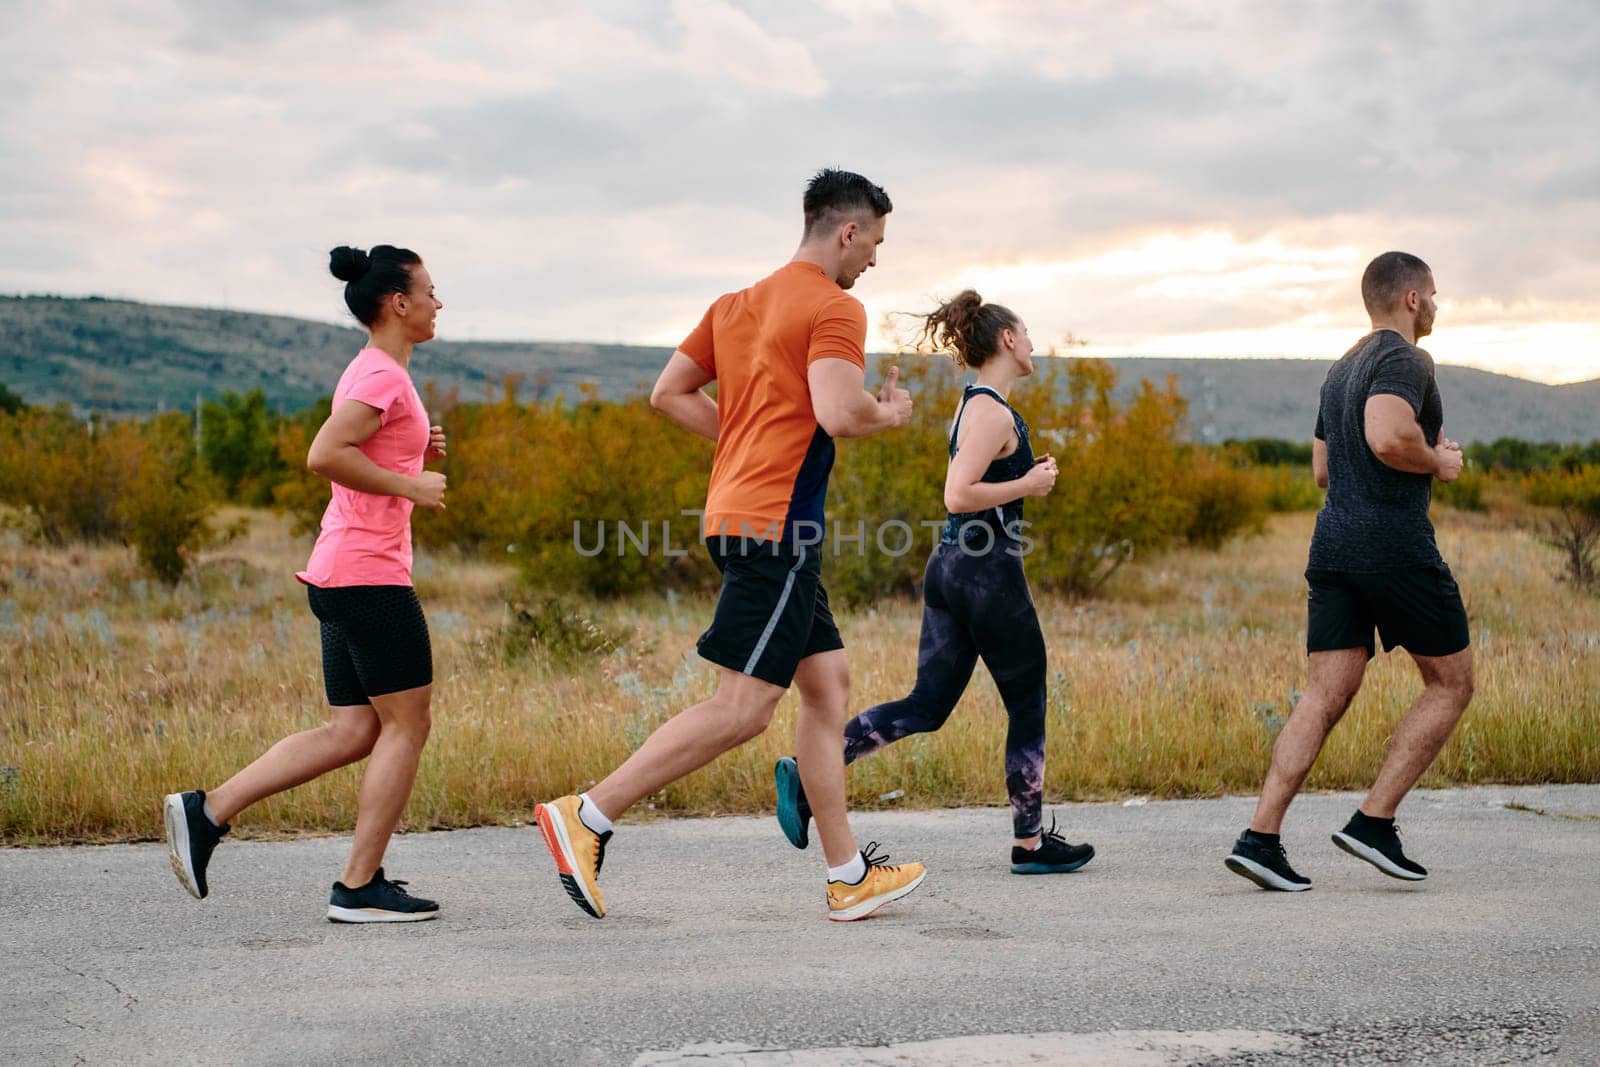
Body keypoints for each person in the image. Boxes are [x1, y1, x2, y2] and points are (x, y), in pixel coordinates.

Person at [533, 169, 927, 922]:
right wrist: (892, 412)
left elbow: (668, 393)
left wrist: (745, 439)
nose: (875, 258)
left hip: (744, 514)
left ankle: (848, 873)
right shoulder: (837, 307)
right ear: (847, 231)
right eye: (875, 241)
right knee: (744, 707)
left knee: (828, 684)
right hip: (774, 525)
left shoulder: (735, 304)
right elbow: (841, 412)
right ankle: (588, 813)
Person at [164, 244, 449, 923]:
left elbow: (361, 445)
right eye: (431, 292)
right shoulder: (381, 375)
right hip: (369, 578)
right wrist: (411, 482)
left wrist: (414, 447)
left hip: (338, 572)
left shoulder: (375, 372)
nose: (440, 303)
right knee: (407, 725)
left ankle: (206, 811)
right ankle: (358, 887)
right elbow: (325, 453)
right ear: (398, 303)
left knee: (354, 728)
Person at [772, 290, 1095, 876]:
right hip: (987, 572)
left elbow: (970, 484)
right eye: (1025, 335)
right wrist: (1028, 486)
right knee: (1028, 702)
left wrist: (1025, 475)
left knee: (927, 705)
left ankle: (812, 770)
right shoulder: (993, 410)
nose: (1032, 345)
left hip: (951, 567)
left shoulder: (974, 404)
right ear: (1005, 341)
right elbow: (958, 494)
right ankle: (1030, 845)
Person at [1225, 251, 1473, 892]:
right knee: (1451, 684)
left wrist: (1408, 455)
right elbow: (1388, 437)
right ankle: (1373, 820)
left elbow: (1324, 471)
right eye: (1435, 293)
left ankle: (1261, 838)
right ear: (1412, 299)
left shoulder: (1341, 370)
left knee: (1323, 695)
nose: (1438, 304)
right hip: (1393, 547)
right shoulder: (1403, 358)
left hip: (1332, 547)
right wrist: (1438, 462)